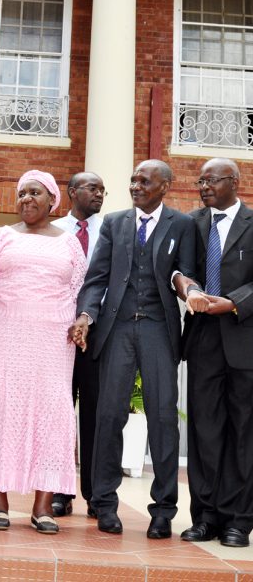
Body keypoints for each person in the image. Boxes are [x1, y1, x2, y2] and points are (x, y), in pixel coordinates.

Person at [68, 159, 197, 539]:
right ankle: (105, 503)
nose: (135, 186)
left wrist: (189, 290)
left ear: (165, 187)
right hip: (117, 328)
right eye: (133, 180)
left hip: (159, 328)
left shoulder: (183, 225)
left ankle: (163, 511)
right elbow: (98, 278)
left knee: (161, 420)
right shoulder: (115, 223)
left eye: (144, 181)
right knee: (108, 416)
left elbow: (185, 272)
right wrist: (86, 315)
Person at [0, 170, 86, 534]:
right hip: (3, 336)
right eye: (21, 193)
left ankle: (43, 506)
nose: (26, 199)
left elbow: (79, 289)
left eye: (35, 193)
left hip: (51, 342)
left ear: (52, 200)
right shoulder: (2, 236)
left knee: (52, 414)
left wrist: (81, 322)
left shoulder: (69, 242)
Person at [178, 158, 253, 548]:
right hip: (204, 340)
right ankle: (205, 516)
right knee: (204, 432)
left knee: (243, 434)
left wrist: (234, 303)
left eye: (210, 180)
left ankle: (238, 520)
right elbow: (180, 269)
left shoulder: (252, 222)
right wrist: (189, 289)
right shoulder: (193, 223)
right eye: (200, 180)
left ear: (234, 182)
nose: (202, 186)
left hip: (244, 342)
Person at [51, 172, 106, 518]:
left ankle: (95, 494)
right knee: (59, 412)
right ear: (72, 192)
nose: (100, 194)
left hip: (98, 334)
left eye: (103, 189)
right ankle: (60, 491)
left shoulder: (113, 230)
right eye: (93, 188)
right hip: (56, 333)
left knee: (96, 413)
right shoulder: (54, 231)